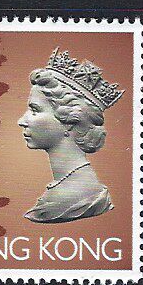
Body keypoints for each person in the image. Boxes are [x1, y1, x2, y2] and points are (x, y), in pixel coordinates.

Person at [18, 49, 123, 223]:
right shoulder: (69, 185)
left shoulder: (84, 195)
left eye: (35, 110)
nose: (21, 121)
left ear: (70, 120)